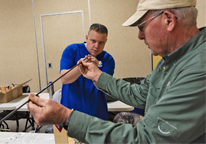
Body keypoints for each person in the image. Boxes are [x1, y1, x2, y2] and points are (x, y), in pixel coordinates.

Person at [27, 0, 206, 143]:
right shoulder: (170, 60)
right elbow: (140, 94)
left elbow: (147, 138)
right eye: (93, 41)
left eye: (141, 26)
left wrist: (65, 116)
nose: (140, 36)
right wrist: (97, 75)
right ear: (86, 38)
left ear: (168, 20)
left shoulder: (198, 68)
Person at [60, 23, 115, 120]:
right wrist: (80, 67)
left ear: (105, 41)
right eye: (93, 41)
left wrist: (96, 68)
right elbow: (64, 79)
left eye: (101, 42)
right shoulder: (72, 50)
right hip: (70, 113)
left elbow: (103, 87)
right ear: (86, 38)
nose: (96, 46)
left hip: (96, 115)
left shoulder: (108, 60)